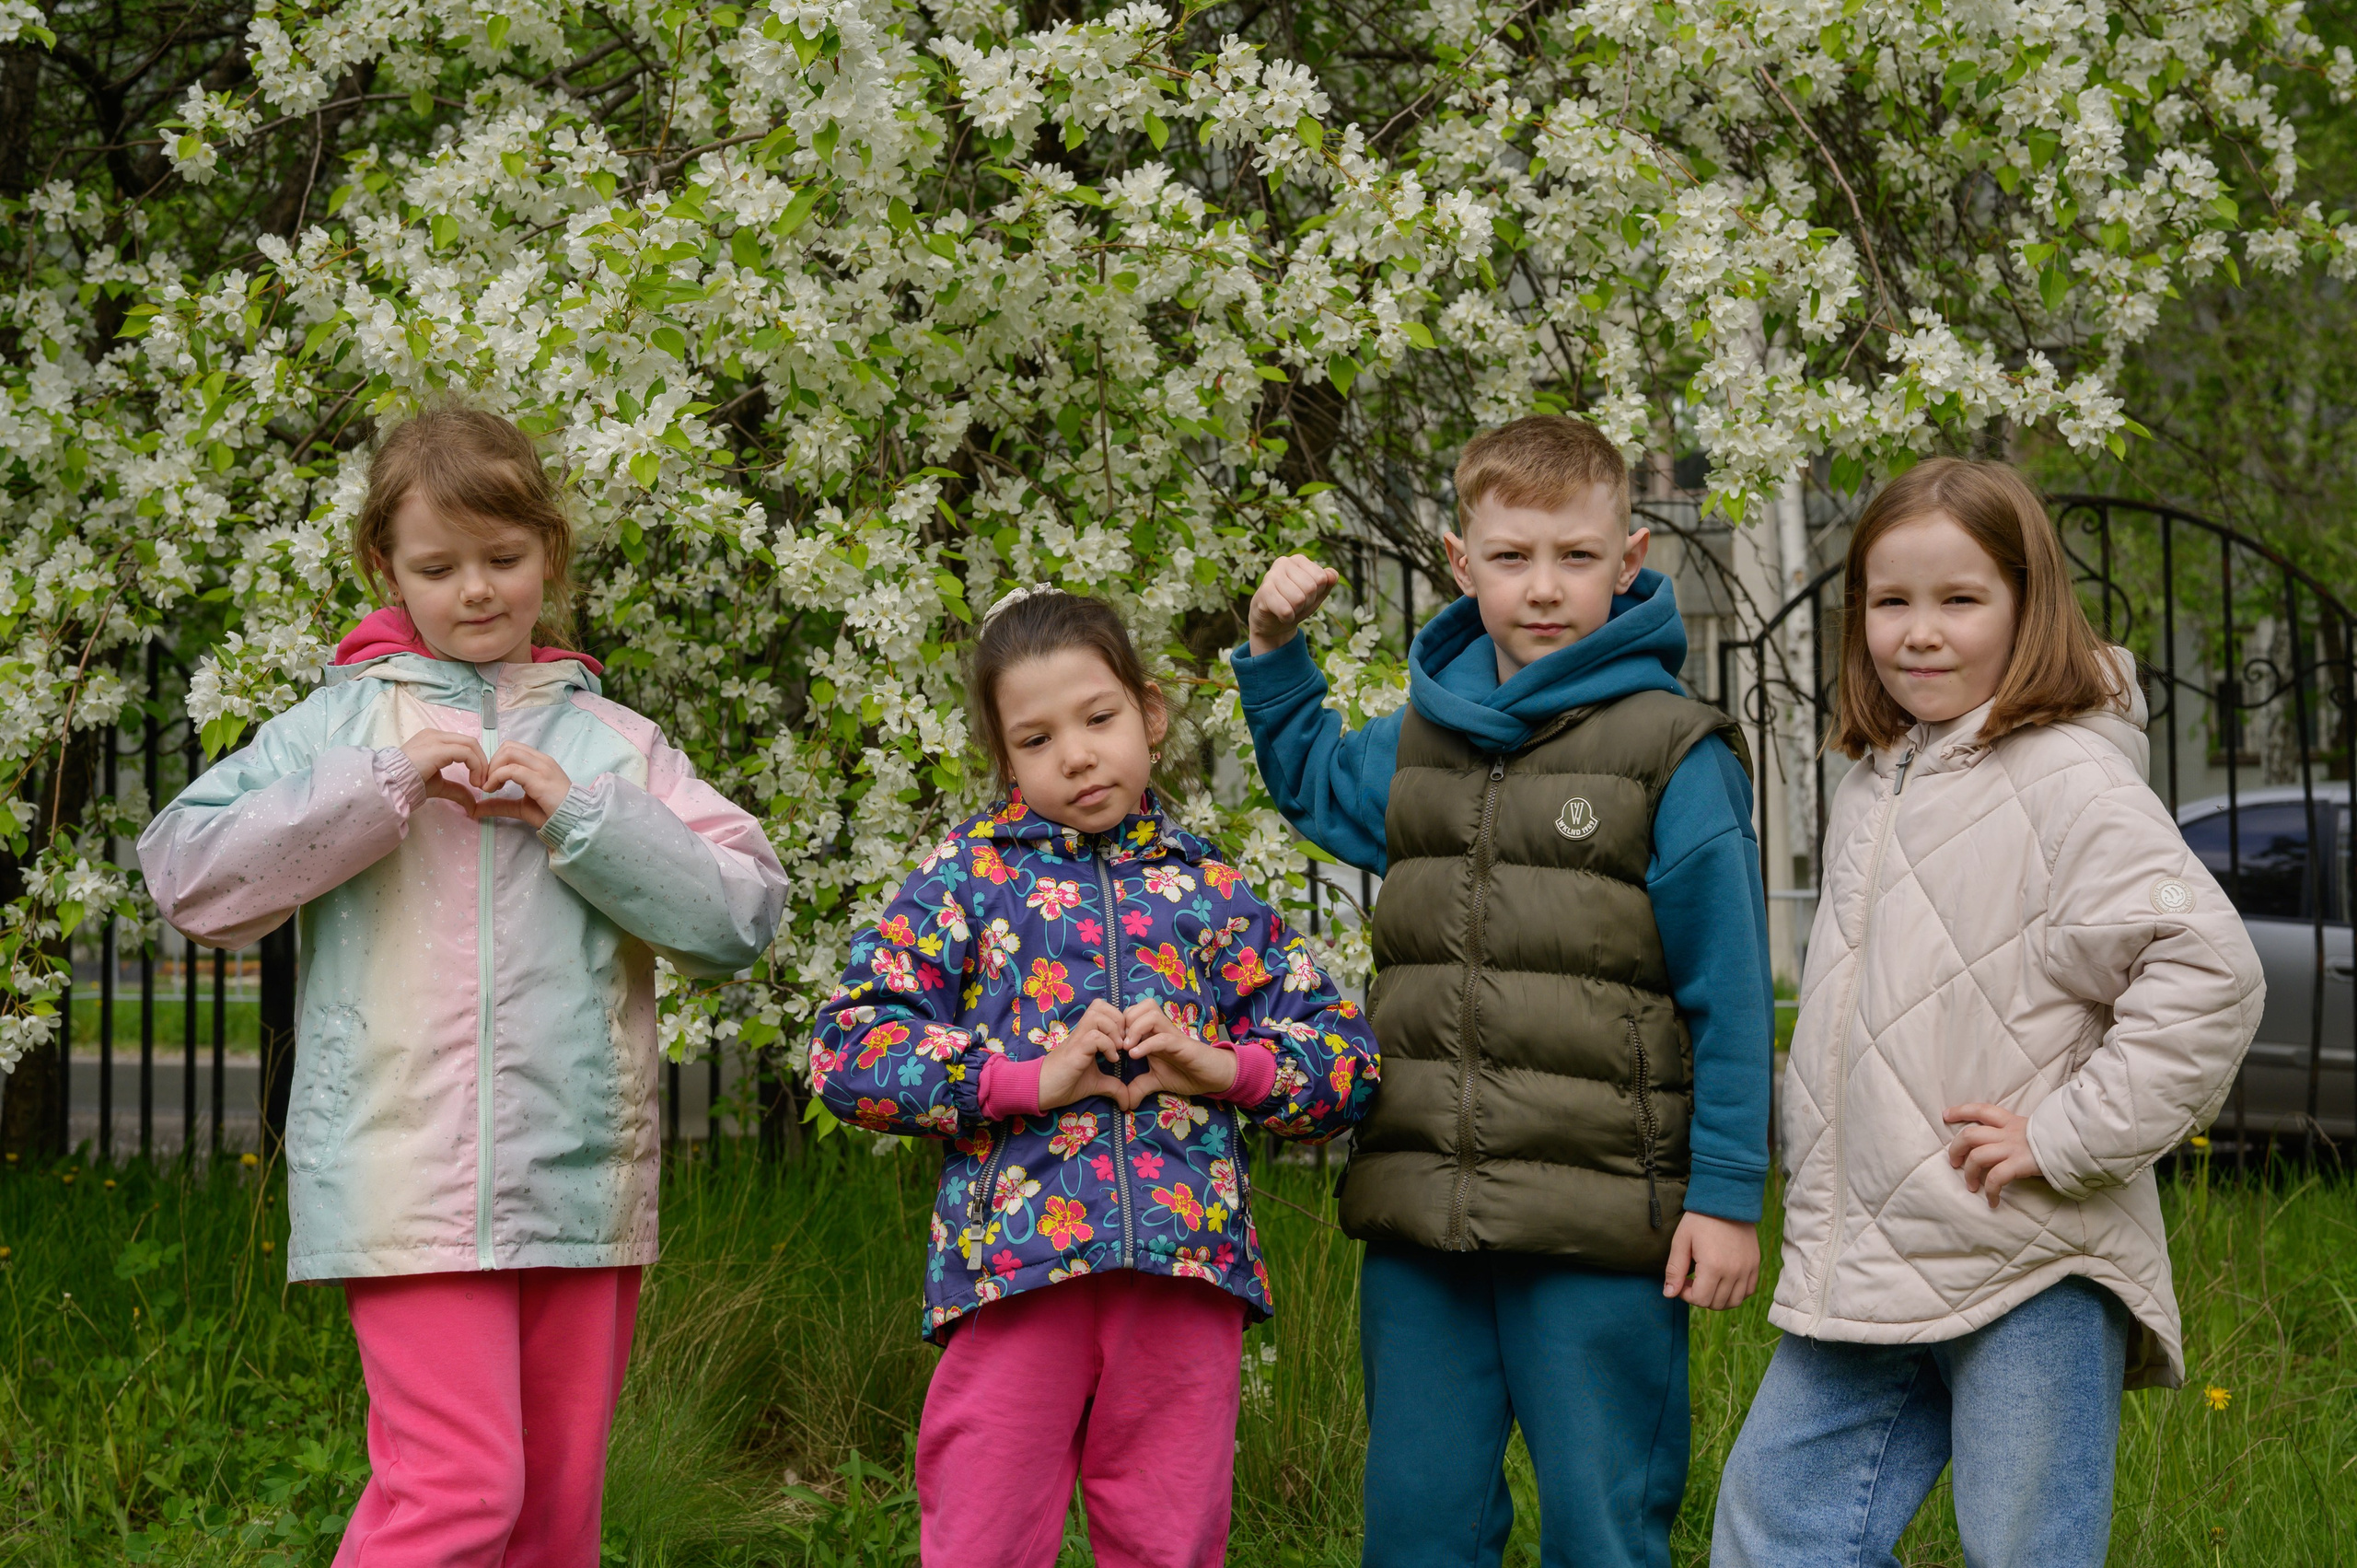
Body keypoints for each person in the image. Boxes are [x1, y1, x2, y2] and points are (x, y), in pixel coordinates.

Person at [139, 406, 788, 1568]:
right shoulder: (337, 730)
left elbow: (738, 917)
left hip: (582, 1179)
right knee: (460, 1491)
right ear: (383, 567)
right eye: (438, 567)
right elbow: (190, 876)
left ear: (552, 550)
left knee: (553, 1520)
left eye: (504, 556)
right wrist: (377, 786)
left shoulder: (614, 745)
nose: (477, 589)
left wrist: (585, 819)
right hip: (402, 1178)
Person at [1234, 414, 1776, 1568]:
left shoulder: (1673, 751)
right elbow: (1316, 781)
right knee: (1417, 1521)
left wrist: (1727, 1194)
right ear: (1458, 559)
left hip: (1599, 1222)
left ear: (1628, 559)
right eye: (1512, 555)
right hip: (1423, 1213)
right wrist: (1274, 650)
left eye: (1575, 556)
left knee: (1601, 1525)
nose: (1542, 586)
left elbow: (1729, 989)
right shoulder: (1420, 739)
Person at [1711, 458, 2264, 1568]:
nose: (1919, 631)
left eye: (1959, 598)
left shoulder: (2072, 778)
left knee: (2024, 1548)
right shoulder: (1877, 776)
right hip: (1875, 1254)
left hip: (2029, 1256)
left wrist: (2065, 1135)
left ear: (2026, 604)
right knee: (1774, 1524)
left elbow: (2211, 970)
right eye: (1890, 599)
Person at [811, 587, 1380, 1568]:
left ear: (1150, 714)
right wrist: (1025, 1081)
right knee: (984, 1542)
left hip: (1183, 1275)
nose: (1075, 755)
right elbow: (847, 1047)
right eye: (1036, 739)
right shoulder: (967, 879)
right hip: (1014, 1274)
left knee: (1169, 1544)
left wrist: (1223, 1067)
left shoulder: (1208, 888)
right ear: (1004, 759)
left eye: (1099, 718)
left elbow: (1347, 1062)